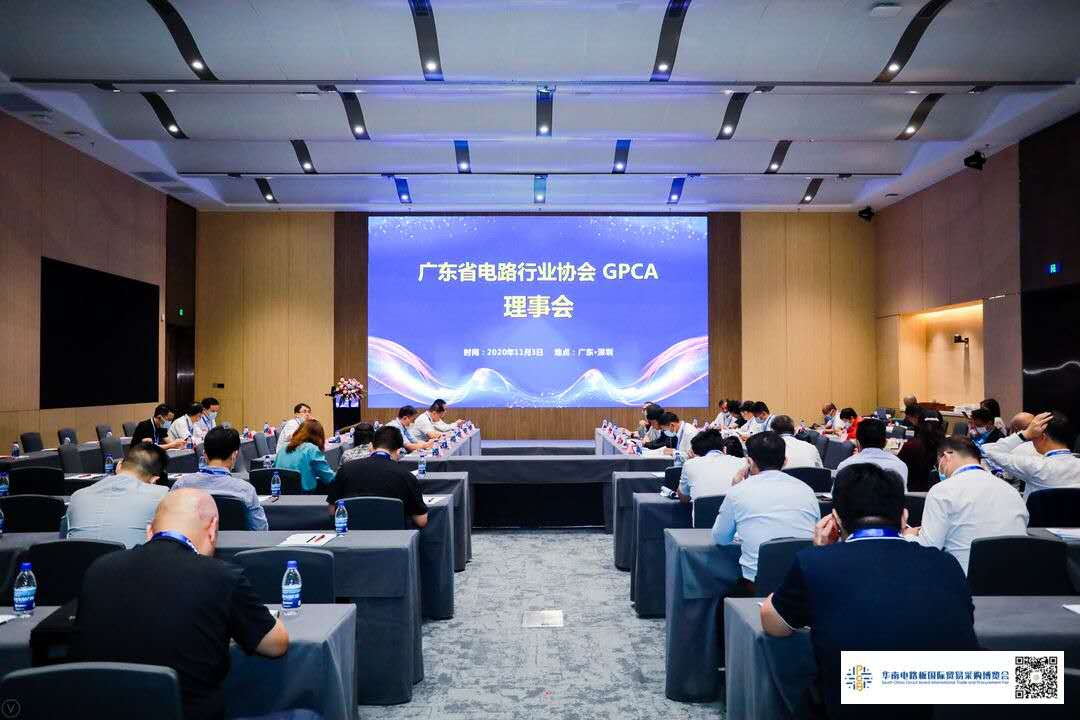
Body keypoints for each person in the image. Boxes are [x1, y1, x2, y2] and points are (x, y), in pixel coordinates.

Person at [760, 463, 977, 720]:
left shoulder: (814, 563)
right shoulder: (946, 563)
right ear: (904, 517)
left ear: (835, 519)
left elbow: (773, 624)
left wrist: (821, 553)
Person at [71, 489, 288, 720]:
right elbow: (275, 644)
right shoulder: (221, 576)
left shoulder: (98, 569)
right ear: (213, 528)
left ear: (149, 531)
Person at [903, 436, 1028, 574]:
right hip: (1012, 576)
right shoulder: (1012, 491)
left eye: (939, 464)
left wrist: (907, 535)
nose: (940, 471)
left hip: (962, 577)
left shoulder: (942, 490)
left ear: (946, 457)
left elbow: (928, 548)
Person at [710, 431, 820, 585]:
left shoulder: (738, 491)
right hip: (804, 582)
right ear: (785, 461)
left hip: (757, 583)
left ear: (749, 462)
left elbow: (720, 538)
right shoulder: (807, 490)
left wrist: (736, 487)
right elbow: (817, 534)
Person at [63, 442, 170, 548]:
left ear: (118, 465)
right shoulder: (162, 495)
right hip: (131, 559)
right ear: (154, 480)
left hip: (77, 558)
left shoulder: (78, 496)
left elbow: (64, 537)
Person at [327, 426, 429, 527]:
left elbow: (332, 511)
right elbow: (421, 521)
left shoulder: (345, 469)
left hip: (350, 535)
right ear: (398, 451)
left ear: (371, 446)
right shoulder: (406, 476)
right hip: (393, 536)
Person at [172, 427, 268, 530]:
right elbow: (260, 529)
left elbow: (168, 524)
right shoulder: (246, 490)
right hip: (236, 540)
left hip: (192, 540)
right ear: (234, 455)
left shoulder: (181, 485)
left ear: (205, 455)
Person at [981, 411, 1080, 498]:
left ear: (1043, 437)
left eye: (1033, 436)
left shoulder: (1034, 465)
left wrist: (1026, 433)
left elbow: (992, 452)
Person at [835, 417, 909, 489]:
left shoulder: (844, 466)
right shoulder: (901, 466)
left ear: (857, 443)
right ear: (885, 443)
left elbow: (835, 495)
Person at [678, 430, 745, 503]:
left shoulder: (689, 464)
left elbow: (684, 499)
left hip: (704, 510)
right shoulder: (743, 462)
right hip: (735, 508)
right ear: (724, 449)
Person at [273, 419, 337, 492]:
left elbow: (273, 470)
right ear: (318, 436)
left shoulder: (282, 449)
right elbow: (329, 478)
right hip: (305, 496)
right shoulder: (312, 449)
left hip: (280, 495)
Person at [898, 409, 945, 492]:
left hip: (913, 494)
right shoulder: (948, 447)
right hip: (941, 493)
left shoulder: (910, 445)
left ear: (919, 423)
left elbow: (900, 469)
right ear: (941, 424)